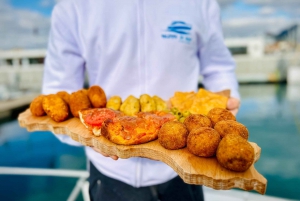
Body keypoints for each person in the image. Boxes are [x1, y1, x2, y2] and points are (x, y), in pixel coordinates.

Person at [42, 0, 240, 200]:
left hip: (185, 168)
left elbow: (218, 68)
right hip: (111, 173)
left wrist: (223, 107)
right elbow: (58, 90)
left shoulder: (201, 4)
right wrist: (86, 136)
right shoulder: (73, 6)